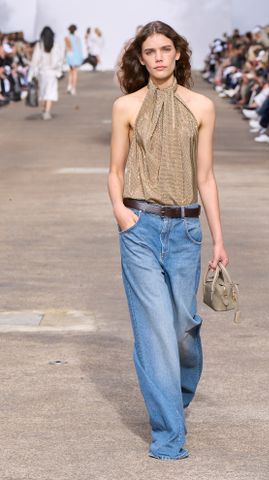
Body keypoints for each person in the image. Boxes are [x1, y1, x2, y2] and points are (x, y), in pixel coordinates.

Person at [108, 21, 228, 460]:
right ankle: (168, 434)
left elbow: (206, 177)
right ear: (141, 58)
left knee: (182, 330)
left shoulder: (201, 106)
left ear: (178, 54)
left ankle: (173, 401)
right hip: (139, 227)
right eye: (150, 51)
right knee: (155, 331)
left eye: (165, 49)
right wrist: (123, 215)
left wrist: (218, 239)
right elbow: (115, 172)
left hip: (186, 230)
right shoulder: (126, 106)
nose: (158, 57)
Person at [28, 26, 63, 120]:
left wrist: (31, 75)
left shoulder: (39, 45)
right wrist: (59, 72)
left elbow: (34, 61)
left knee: (43, 92)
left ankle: (45, 109)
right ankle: (47, 111)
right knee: (50, 92)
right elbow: (60, 60)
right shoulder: (55, 45)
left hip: (42, 73)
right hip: (52, 73)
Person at [65, 24, 83, 94]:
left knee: (70, 71)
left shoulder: (67, 38)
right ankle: (73, 88)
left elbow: (67, 48)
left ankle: (69, 85)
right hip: (77, 56)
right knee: (75, 72)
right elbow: (80, 48)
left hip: (70, 56)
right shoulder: (77, 38)